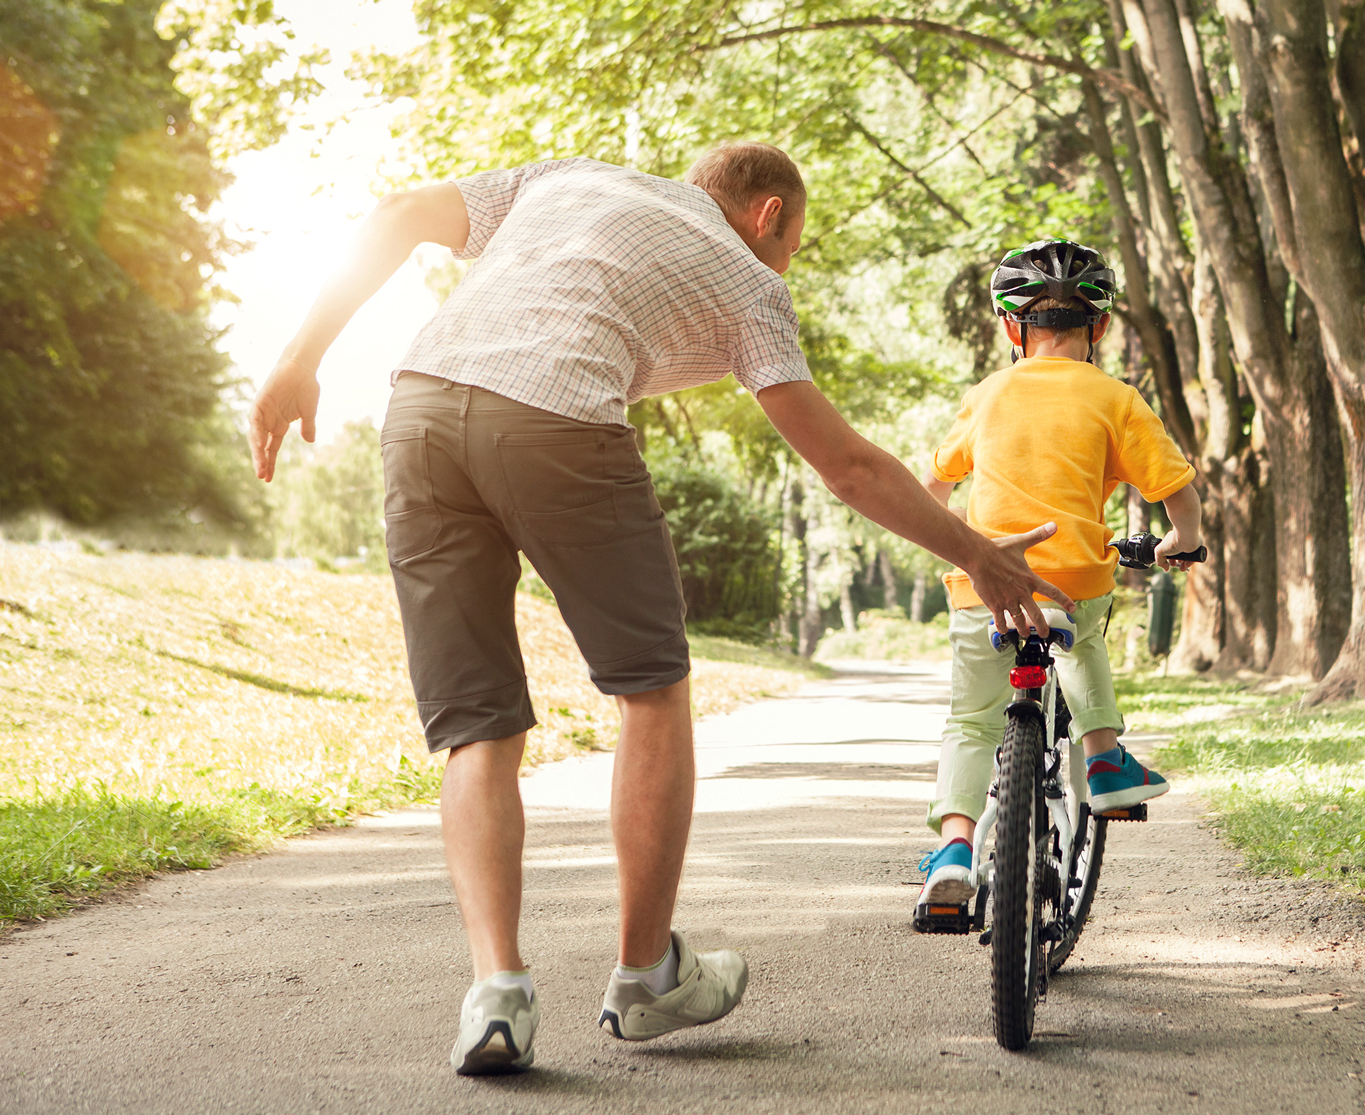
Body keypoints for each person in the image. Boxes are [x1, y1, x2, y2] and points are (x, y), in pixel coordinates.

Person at [246, 143, 1072, 1076]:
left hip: (421, 414)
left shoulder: (563, 178)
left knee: (476, 724)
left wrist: (297, 358)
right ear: (768, 218)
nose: (786, 264)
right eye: (794, 243)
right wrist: (978, 556)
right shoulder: (749, 279)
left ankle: (498, 993)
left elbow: (396, 210)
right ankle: (644, 977)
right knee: (652, 689)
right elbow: (846, 465)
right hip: (557, 421)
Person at [912, 239, 1203, 925]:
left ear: (1013, 328)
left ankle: (954, 850)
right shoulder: (1116, 397)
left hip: (982, 579)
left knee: (970, 718)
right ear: (1098, 327)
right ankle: (1102, 759)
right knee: (1081, 644)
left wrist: (956, 542)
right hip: (1071, 575)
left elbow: (933, 486)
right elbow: (1177, 492)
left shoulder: (987, 394)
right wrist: (1179, 542)